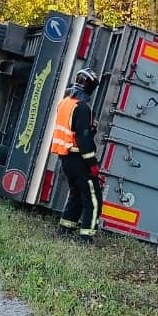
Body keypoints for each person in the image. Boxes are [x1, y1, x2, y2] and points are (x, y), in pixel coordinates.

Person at [50, 68, 103, 243]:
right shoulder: (82, 108)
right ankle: (86, 237)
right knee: (93, 199)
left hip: (66, 158)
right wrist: (92, 164)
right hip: (79, 159)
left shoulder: (65, 102)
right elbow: (83, 138)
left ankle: (66, 228)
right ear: (91, 87)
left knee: (77, 194)